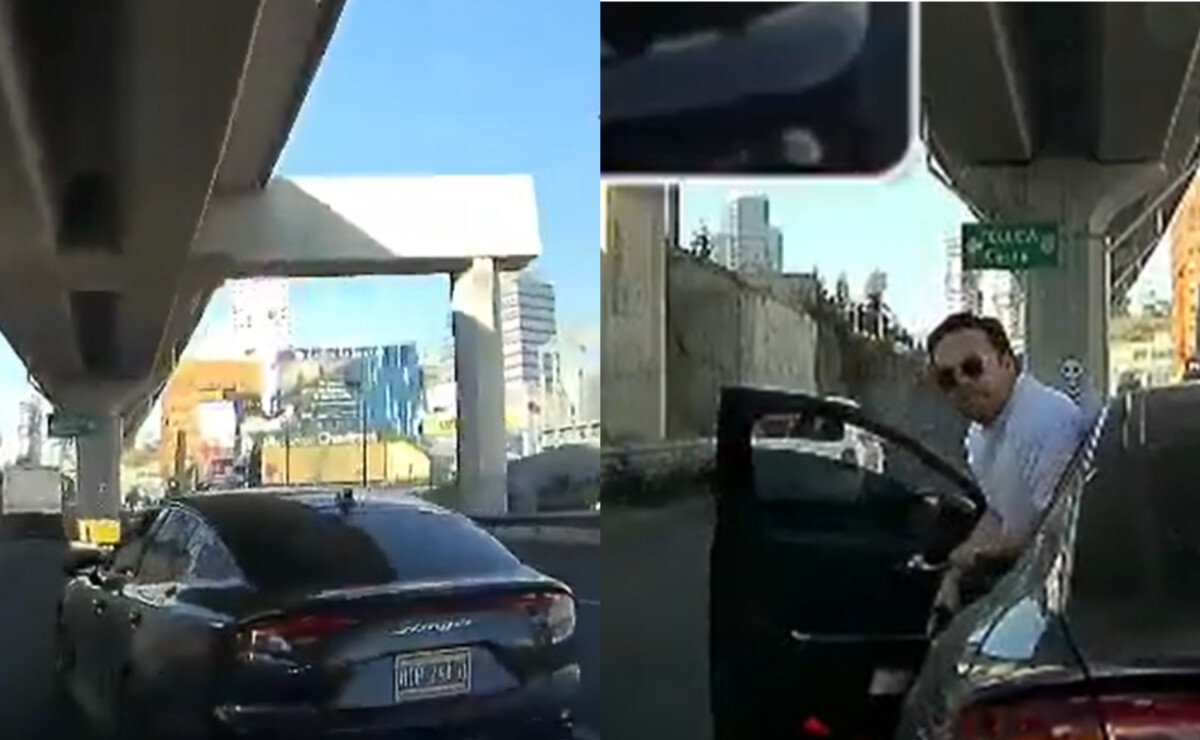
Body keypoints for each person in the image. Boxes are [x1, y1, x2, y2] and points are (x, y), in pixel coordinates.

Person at [925, 312, 1089, 614]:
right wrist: (954, 574)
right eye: (947, 378)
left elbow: (1054, 531)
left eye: (972, 367)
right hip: (1025, 582)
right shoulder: (977, 436)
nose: (962, 383)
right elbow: (999, 512)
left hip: (1066, 592)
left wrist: (971, 558)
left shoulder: (1047, 420)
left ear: (1007, 362)